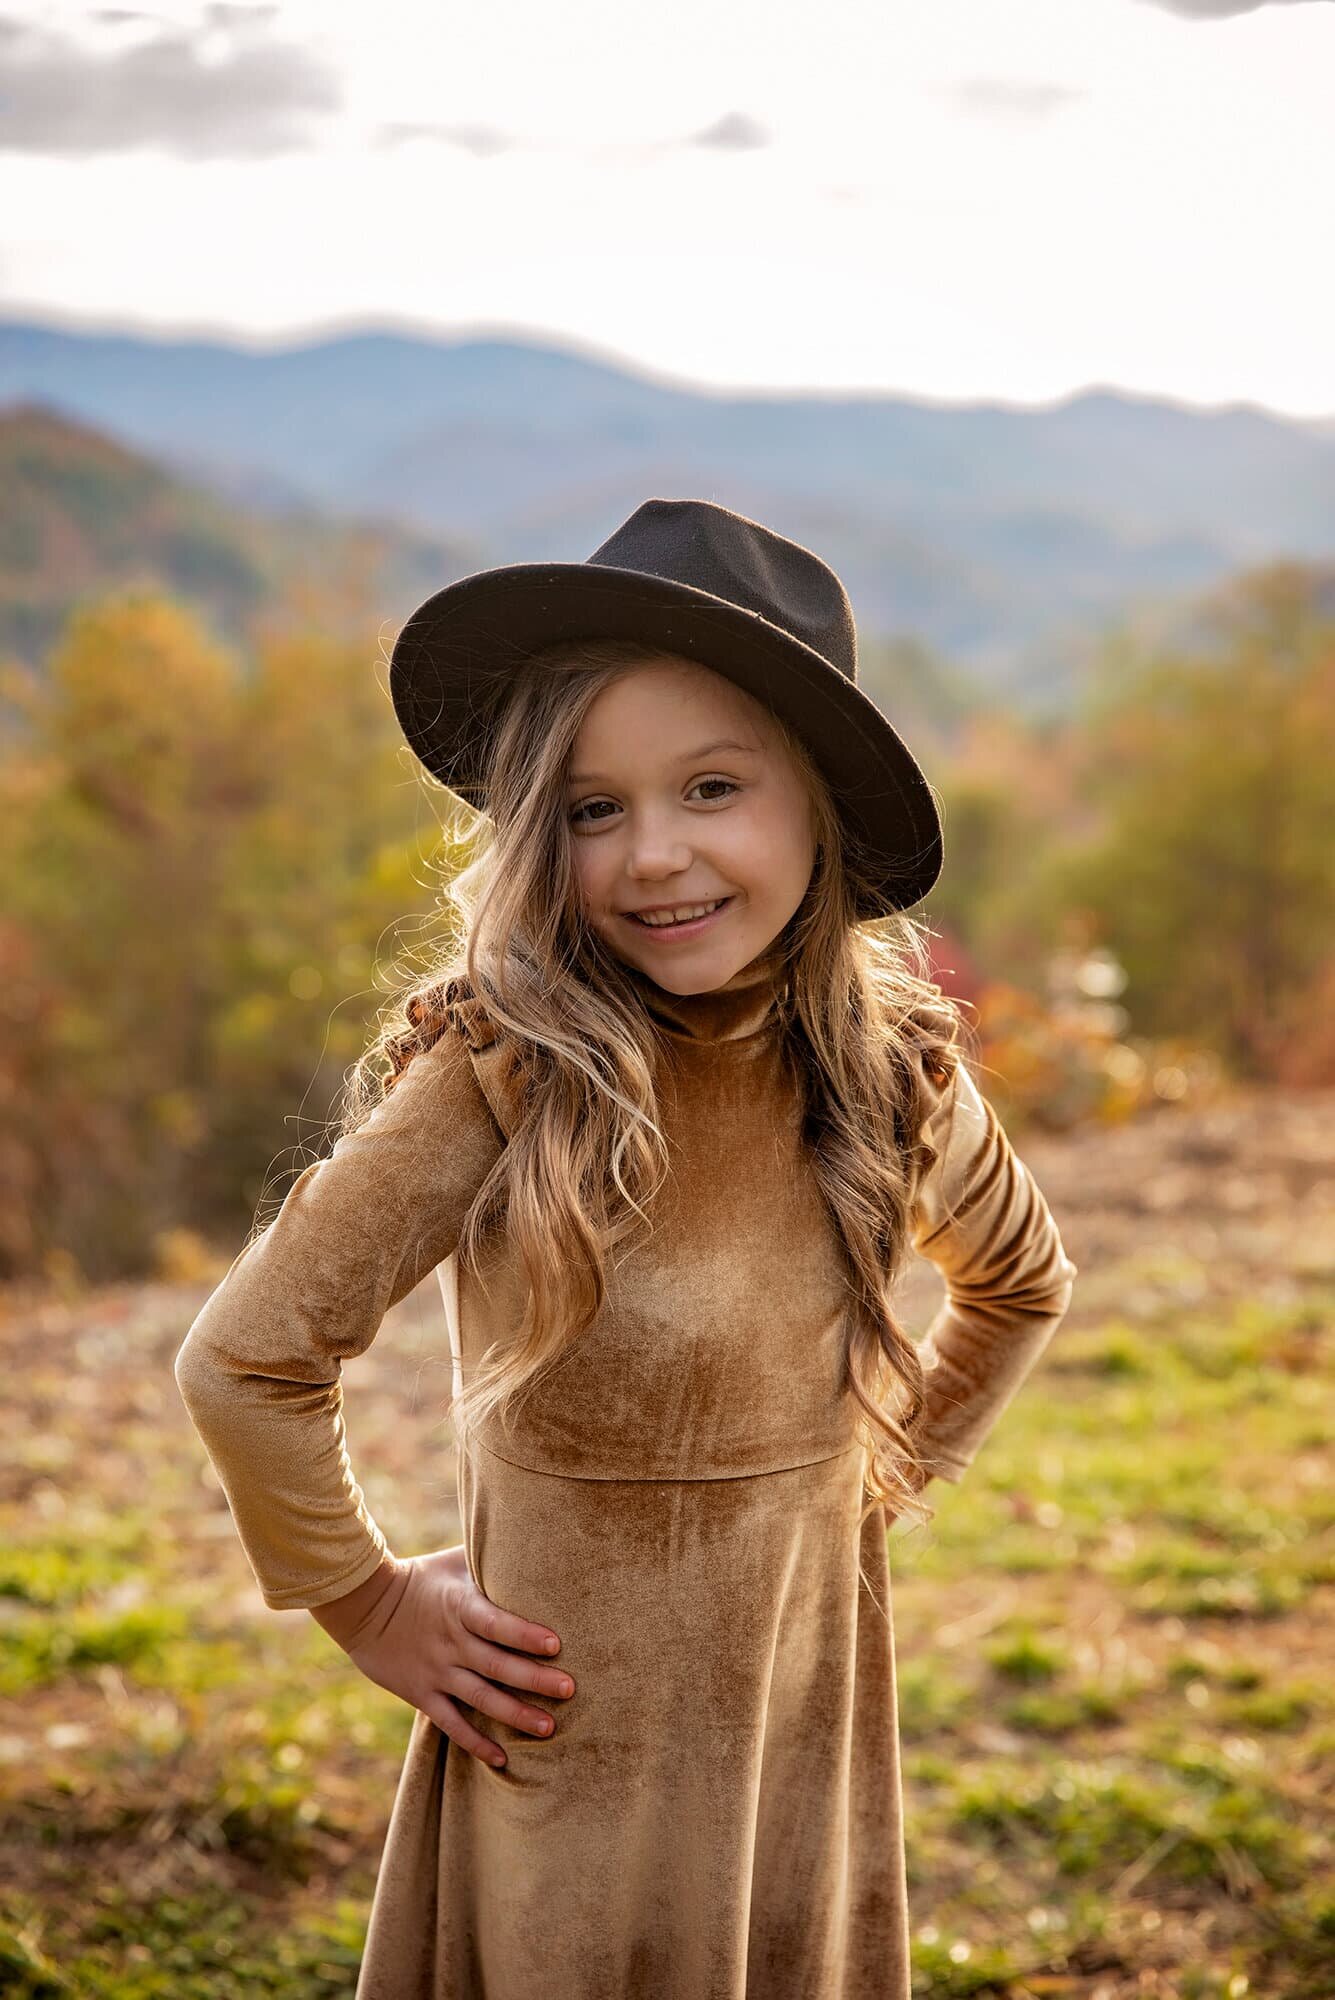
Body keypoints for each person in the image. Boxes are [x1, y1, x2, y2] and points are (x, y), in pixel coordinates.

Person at [174, 497, 1078, 1999]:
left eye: (712, 787)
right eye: (594, 810)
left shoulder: (891, 1068)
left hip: (802, 1736)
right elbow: (247, 1361)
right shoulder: (505, 1070)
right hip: (562, 1767)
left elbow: (1019, 1281)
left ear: (818, 810)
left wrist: (874, 1471)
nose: (655, 855)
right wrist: (369, 1601)